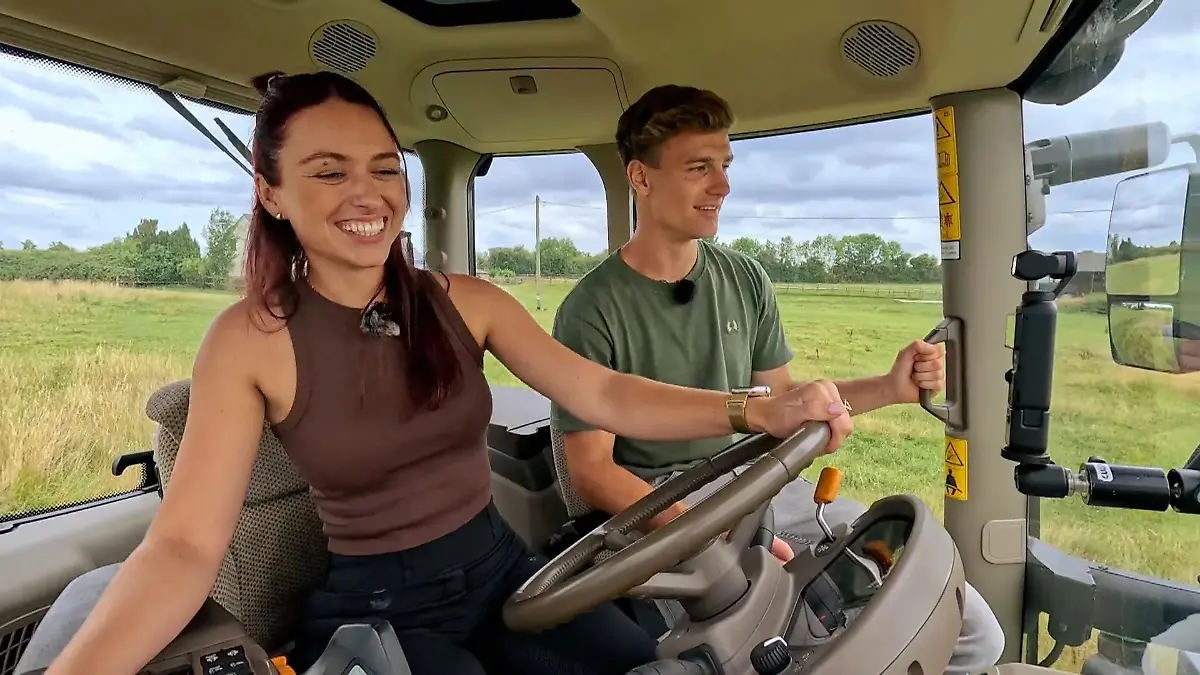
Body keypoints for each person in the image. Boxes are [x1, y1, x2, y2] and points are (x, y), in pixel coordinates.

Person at [43, 71, 857, 675]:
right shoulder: (248, 340)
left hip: (506, 572)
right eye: (329, 171)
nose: (367, 193)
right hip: (379, 608)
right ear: (273, 193)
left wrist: (757, 411)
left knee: (646, 665)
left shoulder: (466, 301)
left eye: (384, 167)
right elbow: (184, 545)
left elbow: (602, 391)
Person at [551, 84, 1006, 675]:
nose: (723, 186)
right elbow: (592, 471)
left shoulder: (746, 280)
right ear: (641, 177)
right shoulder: (591, 309)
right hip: (663, 505)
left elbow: (783, 405)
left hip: (763, 485)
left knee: (968, 630)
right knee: (772, 652)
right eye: (699, 168)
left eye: (725, 165)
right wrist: (705, 537)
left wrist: (889, 388)